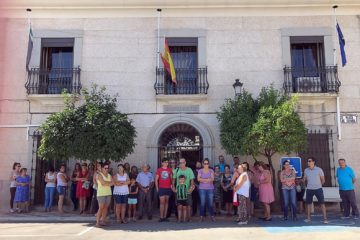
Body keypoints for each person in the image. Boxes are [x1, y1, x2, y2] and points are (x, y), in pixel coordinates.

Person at [303, 157, 328, 223]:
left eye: (309, 161)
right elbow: (304, 179)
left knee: (322, 204)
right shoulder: (306, 170)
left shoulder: (319, 169)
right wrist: (301, 180)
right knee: (308, 204)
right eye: (308, 161)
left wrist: (319, 186)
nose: (308, 162)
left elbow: (323, 180)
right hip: (309, 189)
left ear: (313, 162)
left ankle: (325, 219)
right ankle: (308, 218)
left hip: (318, 189)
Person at [96, 162, 113, 227]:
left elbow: (113, 183)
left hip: (108, 193)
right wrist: (108, 183)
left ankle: (103, 221)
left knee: (105, 208)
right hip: (101, 194)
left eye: (107, 168)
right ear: (102, 168)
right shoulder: (99, 175)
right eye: (105, 168)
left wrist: (107, 183)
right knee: (101, 208)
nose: (107, 169)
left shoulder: (109, 175)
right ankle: (97, 222)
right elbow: (103, 183)